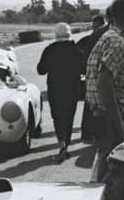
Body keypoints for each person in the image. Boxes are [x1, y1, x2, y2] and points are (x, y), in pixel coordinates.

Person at [85, 0, 124, 181]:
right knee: (110, 167)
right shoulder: (118, 43)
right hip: (109, 116)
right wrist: (119, 124)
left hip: (100, 113)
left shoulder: (108, 37)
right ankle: (97, 195)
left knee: (103, 160)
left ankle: (96, 192)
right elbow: (104, 84)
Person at [37, 23, 87, 162]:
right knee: (69, 117)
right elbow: (84, 69)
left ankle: (61, 143)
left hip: (55, 88)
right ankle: (67, 145)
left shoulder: (50, 49)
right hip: (72, 88)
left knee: (57, 117)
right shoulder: (76, 50)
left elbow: (41, 70)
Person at [76, 14, 108, 144]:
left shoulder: (104, 38)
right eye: (93, 27)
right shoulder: (87, 40)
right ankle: (88, 134)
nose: (95, 29)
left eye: (97, 27)